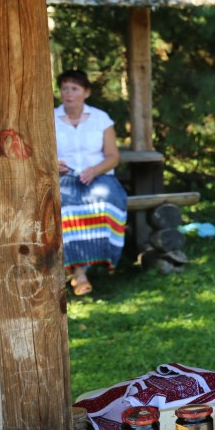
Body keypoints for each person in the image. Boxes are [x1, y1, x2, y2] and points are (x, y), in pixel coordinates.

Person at [54, 70, 127, 296]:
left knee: (108, 200)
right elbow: (42, 154)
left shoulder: (100, 118)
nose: (68, 93)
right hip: (65, 177)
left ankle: (91, 263)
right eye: (65, 88)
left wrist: (95, 170)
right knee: (63, 204)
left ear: (86, 92)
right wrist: (53, 164)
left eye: (74, 89)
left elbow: (113, 156)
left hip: (98, 176)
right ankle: (78, 270)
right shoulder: (50, 117)